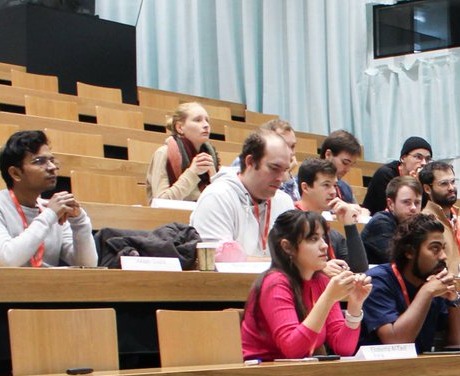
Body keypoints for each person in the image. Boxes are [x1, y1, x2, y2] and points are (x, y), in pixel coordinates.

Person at [241, 210, 372, 361]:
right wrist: (328, 298)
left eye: (323, 238)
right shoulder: (275, 283)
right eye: (313, 239)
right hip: (263, 375)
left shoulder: (321, 280)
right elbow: (292, 349)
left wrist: (355, 306)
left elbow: (343, 348)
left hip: (299, 373)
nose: (324, 246)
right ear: (287, 247)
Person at [0, 130, 97, 267]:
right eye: (40, 161)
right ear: (16, 173)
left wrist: (79, 221)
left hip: (47, 287)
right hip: (2, 287)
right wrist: (50, 215)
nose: (52, 167)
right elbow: (8, 260)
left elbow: (88, 266)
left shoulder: (52, 209)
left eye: (52, 160)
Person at [361, 213, 460, 352]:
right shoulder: (377, 281)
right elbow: (395, 343)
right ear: (409, 252)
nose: (443, 256)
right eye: (435, 248)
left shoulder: (433, 284)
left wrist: (453, 300)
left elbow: (459, 342)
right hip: (377, 370)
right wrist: (426, 292)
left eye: (443, 248)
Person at [190, 129, 294, 258]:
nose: (281, 178)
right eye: (274, 168)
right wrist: (282, 267)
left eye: (285, 170)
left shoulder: (285, 201)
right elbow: (219, 263)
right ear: (250, 162)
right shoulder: (217, 197)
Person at [294, 158, 368, 274]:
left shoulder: (331, 234)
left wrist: (349, 225)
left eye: (335, 185)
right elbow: (284, 262)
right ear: (305, 187)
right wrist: (319, 268)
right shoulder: (289, 223)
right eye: (326, 185)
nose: (333, 192)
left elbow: (359, 269)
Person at [145, 102, 219, 202]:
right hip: (173, 217)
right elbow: (161, 201)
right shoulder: (163, 153)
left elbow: (220, 202)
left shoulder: (211, 156)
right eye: (197, 120)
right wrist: (192, 172)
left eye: (207, 120)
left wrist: (214, 177)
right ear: (179, 127)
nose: (206, 125)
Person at [419, 161, 460, 274]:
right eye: (444, 184)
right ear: (427, 189)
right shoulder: (422, 223)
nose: (451, 188)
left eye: (453, 182)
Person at [361, 176, 423, 265]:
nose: (413, 208)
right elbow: (398, 262)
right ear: (390, 204)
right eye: (406, 202)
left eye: (417, 203)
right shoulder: (381, 222)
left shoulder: (413, 224)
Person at [362, 136, 431, 214]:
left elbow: (422, 209)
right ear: (403, 158)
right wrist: (413, 184)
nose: (424, 163)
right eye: (418, 157)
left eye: (427, 159)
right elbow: (393, 210)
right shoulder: (386, 174)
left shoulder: (423, 179)